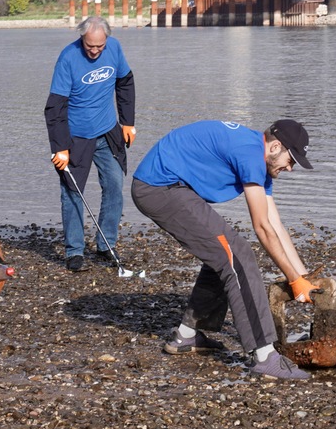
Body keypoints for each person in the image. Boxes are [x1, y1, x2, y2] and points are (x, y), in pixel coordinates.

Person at [131, 119, 319, 380]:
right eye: (291, 160)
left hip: (175, 187)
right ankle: (265, 356)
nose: (290, 168)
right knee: (237, 255)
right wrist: (293, 279)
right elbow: (263, 228)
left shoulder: (259, 157)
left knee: (221, 251)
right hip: (158, 187)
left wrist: (304, 276)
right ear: (275, 146)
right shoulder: (250, 154)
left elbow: (275, 224)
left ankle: (187, 335)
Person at [45, 16, 136, 272]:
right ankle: (74, 251)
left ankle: (106, 244)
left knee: (115, 185)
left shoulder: (115, 48)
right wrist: (60, 147)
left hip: (108, 132)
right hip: (76, 137)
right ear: (82, 39)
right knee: (73, 192)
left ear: (107, 39)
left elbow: (125, 83)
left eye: (99, 46)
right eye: (90, 46)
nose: (95, 51)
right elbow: (55, 107)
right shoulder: (68, 57)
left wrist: (128, 122)